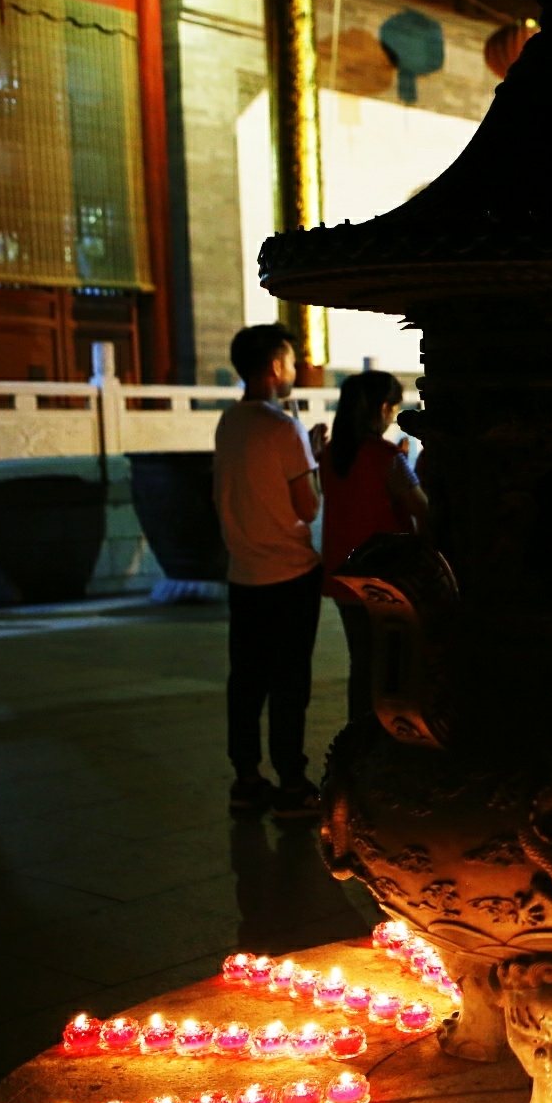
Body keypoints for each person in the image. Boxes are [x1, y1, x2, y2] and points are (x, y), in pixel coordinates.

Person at [213, 324, 325, 816]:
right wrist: (313, 466)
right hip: (289, 572)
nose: (295, 370)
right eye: (291, 361)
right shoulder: (284, 428)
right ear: (275, 368)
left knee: (247, 680)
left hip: (244, 573)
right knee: (288, 682)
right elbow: (308, 507)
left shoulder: (228, 423)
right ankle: (293, 782)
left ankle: (246, 777)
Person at [317, 370, 429, 722]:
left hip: (343, 576)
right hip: (384, 578)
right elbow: (421, 507)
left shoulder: (331, 455)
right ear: (383, 407)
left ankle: (358, 740)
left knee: (362, 663)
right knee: (390, 666)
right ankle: (383, 739)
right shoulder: (386, 456)